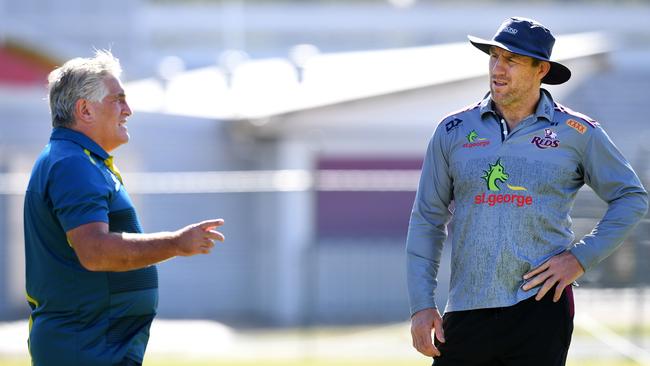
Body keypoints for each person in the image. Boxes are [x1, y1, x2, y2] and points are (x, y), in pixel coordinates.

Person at [406, 17, 648, 365]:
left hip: (541, 309)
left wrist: (580, 258)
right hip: (466, 309)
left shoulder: (577, 132)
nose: (498, 69)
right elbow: (427, 220)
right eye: (494, 57)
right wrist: (421, 305)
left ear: (541, 69)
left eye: (512, 60)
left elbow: (631, 197)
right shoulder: (452, 130)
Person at [23, 50, 226, 366]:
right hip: (84, 348)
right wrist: (175, 243)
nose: (128, 110)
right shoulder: (72, 164)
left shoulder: (80, 160)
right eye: (117, 99)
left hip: (94, 345)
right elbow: (95, 251)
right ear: (85, 110)